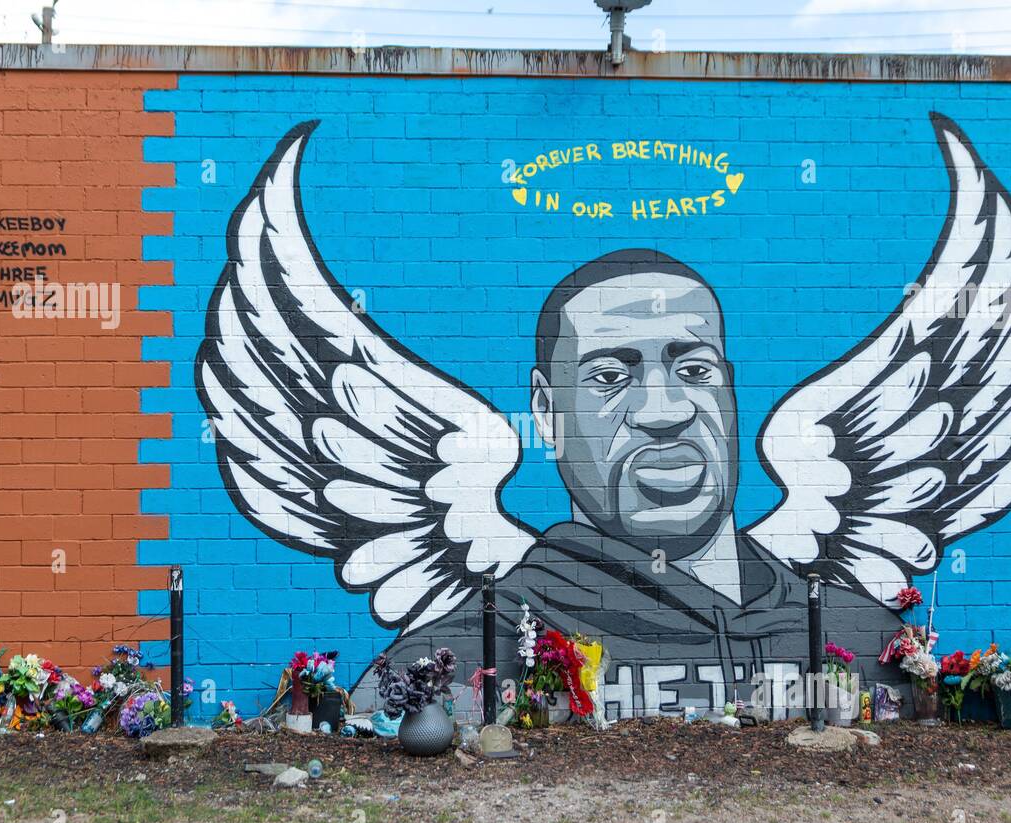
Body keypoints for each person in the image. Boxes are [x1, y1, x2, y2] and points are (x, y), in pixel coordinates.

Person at [354, 249, 905, 718]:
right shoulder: (458, 653)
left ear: (729, 389)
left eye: (694, 371)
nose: (663, 412)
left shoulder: (863, 638)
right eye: (611, 378)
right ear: (546, 413)